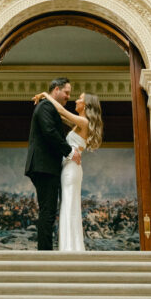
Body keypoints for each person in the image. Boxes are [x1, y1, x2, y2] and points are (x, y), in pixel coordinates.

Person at [32, 86, 103, 251]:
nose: (76, 100)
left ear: (85, 105)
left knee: (68, 207)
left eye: (80, 98)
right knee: (67, 207)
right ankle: (68, 246)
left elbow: (59, 109)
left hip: (71, 170)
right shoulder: (78, 122)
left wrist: (45, 95)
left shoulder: (83, 122)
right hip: (69, 169)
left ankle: (70, 248)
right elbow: (58, 115)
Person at [25, 78, 81, 250]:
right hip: (45, 167)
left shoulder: (48, 106)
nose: (68, 97)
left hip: (45, 167)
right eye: (66, 92)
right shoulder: (45, 107)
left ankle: (45, 252)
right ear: (56, 89)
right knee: (48, 212)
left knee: (48, 211)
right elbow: (49, 132)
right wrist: (70, 152)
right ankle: (44, 255)